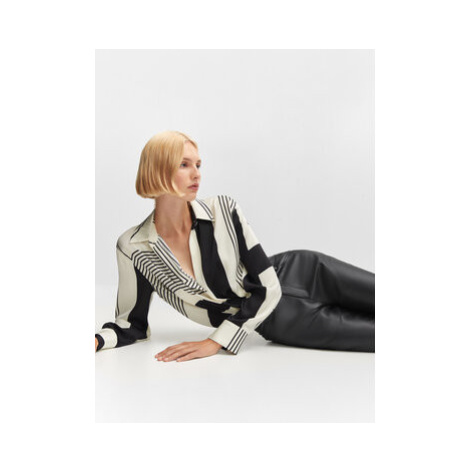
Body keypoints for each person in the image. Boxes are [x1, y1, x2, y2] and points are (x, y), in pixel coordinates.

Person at [95, 130, 375, 361]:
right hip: (280, 322)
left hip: (305, 271)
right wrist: (97, 341)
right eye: (184, 164)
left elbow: (268, 287)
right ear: (157, 169)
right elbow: (131, 325)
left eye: (198, 165)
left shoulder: (223, 210)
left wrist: (215, 341)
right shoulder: (134, 247)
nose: (196, 174)